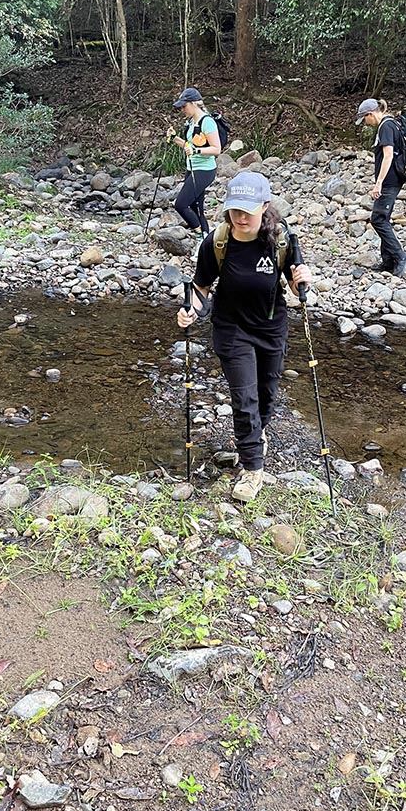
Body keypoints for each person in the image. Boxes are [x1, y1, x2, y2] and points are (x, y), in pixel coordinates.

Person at [177, 172, 312, 503]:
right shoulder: (217, 241)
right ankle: (252, 468)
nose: (240, 217)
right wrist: (190, 309)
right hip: (231, 328)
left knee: (266, 395)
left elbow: (296, 288)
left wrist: (303, 281)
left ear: (265, 207)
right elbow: (201, 287)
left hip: (270, 327)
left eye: (248, 210)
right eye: (234, 209)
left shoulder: (281, 240)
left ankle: (256, 435)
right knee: (245, 398)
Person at [355, 97, 406, 277]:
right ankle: (387, 261)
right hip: (394, 178)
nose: (365, 123)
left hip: (389, 181)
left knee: (378, 220)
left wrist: (378, 183)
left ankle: (400, 256)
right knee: (384, 218)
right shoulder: (391, 123)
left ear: (370, 114)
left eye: (364, 119)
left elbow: (388, 156)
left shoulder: (386, 126)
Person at [167, 87, 221, 242]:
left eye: (184, 106)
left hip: (204, 171)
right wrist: (175, 138)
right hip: (192, 169)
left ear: (194, 103)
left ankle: (200, 235)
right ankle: (205, 241)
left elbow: (216, 149)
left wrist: (196, 151)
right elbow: (188, 145)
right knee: (197, 207)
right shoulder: (191, 122)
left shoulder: (207, 122)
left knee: (181, 204)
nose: (182, 109)